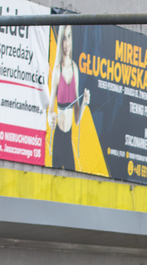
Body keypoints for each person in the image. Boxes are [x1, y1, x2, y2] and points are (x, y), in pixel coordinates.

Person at [48, 24, 90, 170]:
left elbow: (77, 119)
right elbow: (50, 109)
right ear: (61, 41)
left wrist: (84, 102)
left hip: (69, 138)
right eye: (64, 38)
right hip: (58, 137)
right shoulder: (57, 70)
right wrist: (50, 119)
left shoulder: (75, 69)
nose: (67, 43)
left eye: (69, 37)